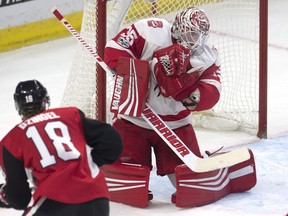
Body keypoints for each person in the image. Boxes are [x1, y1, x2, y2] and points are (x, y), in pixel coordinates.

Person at [103, 7, 256, 208]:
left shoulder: (208, 56)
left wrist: (196, 96)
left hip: (175, 124)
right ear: (179, 27)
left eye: (199, 35)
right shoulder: (150, 30)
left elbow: (213, 87)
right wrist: (129, 69)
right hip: (134, 119)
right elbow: (115, 48)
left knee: (186, 178)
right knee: (130, 168)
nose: (195, 40)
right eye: (191, 33)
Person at [0, 79, 123, 215]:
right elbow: (113, 142)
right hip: (96, 198)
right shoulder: (70, 115)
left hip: (54, 202)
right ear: (45, 100)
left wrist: (5, 194)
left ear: (18, 106)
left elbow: (20, 199)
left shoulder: (11, 139)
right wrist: (88, 164)